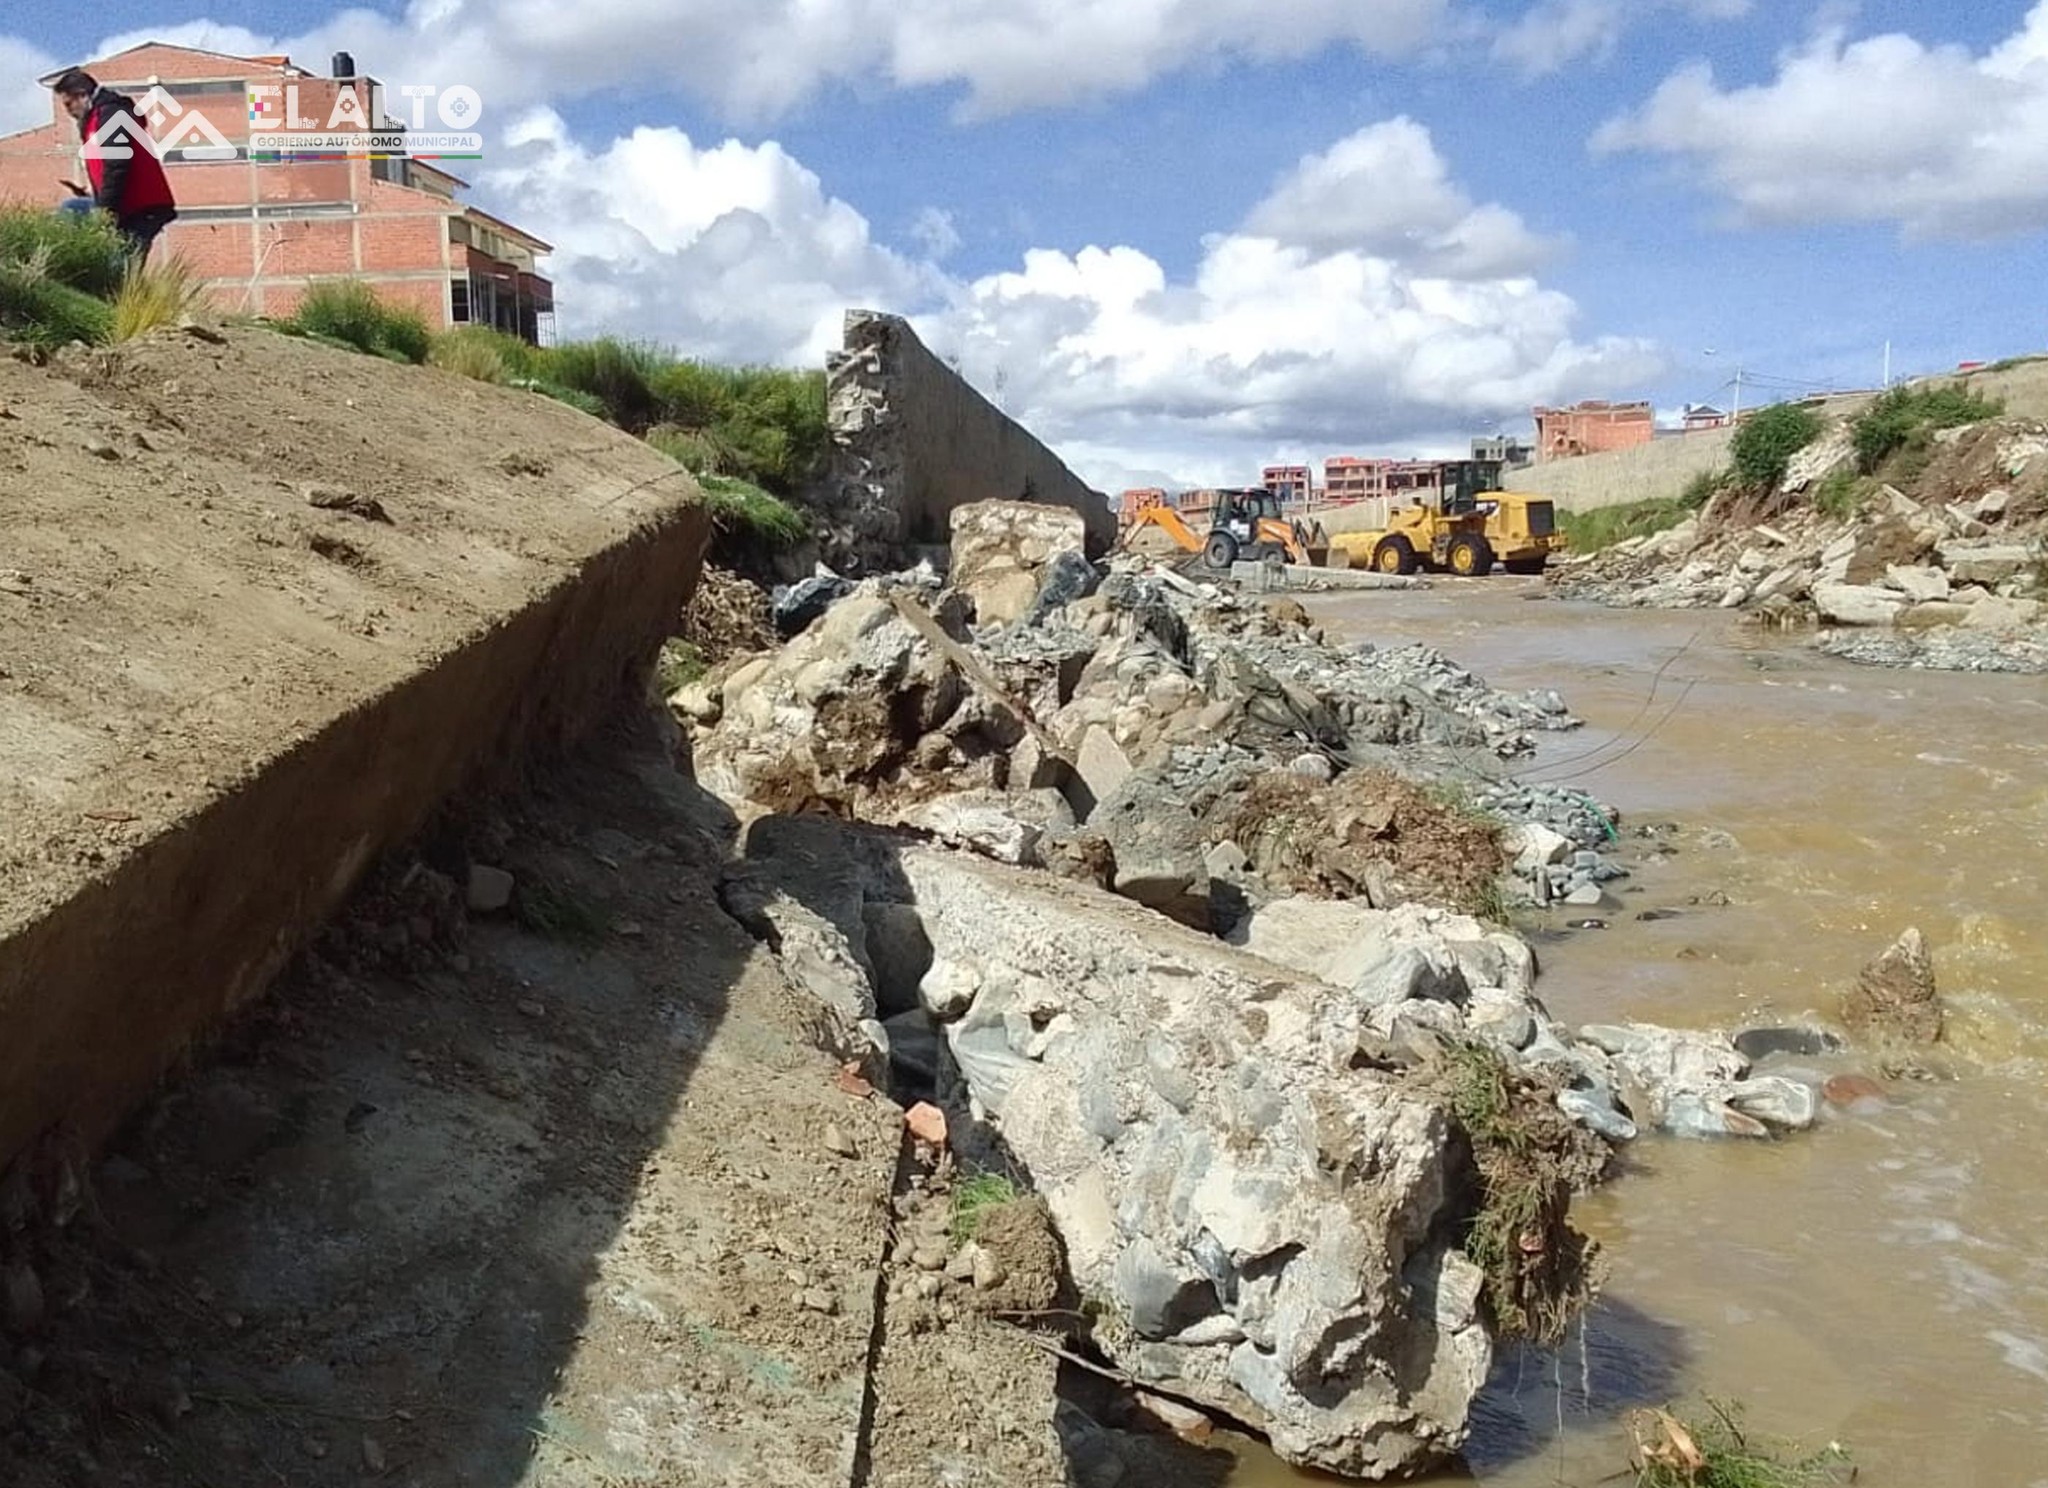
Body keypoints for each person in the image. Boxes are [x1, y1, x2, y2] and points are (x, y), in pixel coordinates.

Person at [51, 68, 177, 271]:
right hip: (123, 205)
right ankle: (69, 268)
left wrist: (104, 212)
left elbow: (118, 165)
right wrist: (96, 195)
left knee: (120, 270)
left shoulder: (111, 114)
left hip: (142, 207)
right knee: (73, 208)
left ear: (83, 95)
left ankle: (115, 291)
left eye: (68, 104)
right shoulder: (93, 120)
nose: (68, 112)